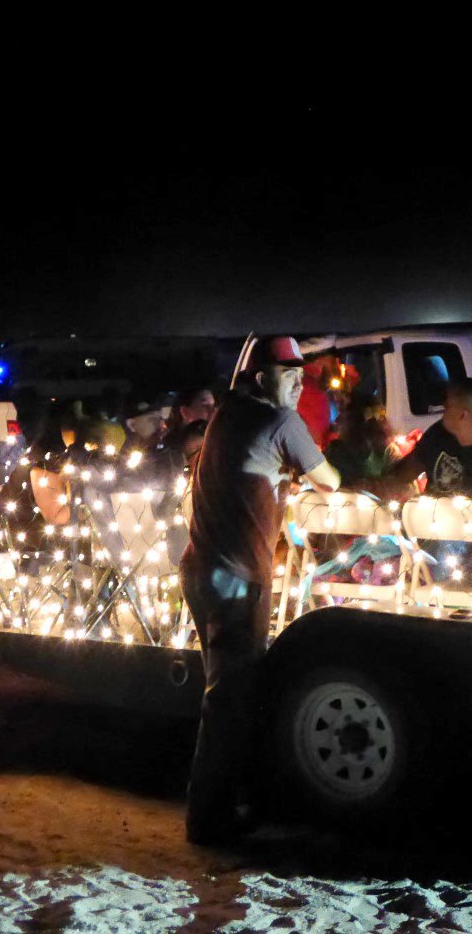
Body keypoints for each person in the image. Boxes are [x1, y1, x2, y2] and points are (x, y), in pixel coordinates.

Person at [181, 335, 341, 844]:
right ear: (260, 377)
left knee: (225, 690)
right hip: (237, 576)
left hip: (199, 568)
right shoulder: (282, 422)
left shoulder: (227, 414)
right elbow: (331, 481)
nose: (298, 384)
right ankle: (210, 820)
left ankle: (231, 800)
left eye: (300, 374)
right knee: (229, 698)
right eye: (287, 374)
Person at [380, 378, 472, 504]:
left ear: (463, 415)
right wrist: (383, 484)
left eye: (447, 407)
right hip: (428, 517)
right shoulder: (439, 433)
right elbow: (408, 469)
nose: (442, 412)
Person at [324, 397, 397, 488]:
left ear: (355, 421)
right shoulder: (335, 449)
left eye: (343, 415)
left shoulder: (388, 451)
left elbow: (402, 484)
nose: (336, 421)